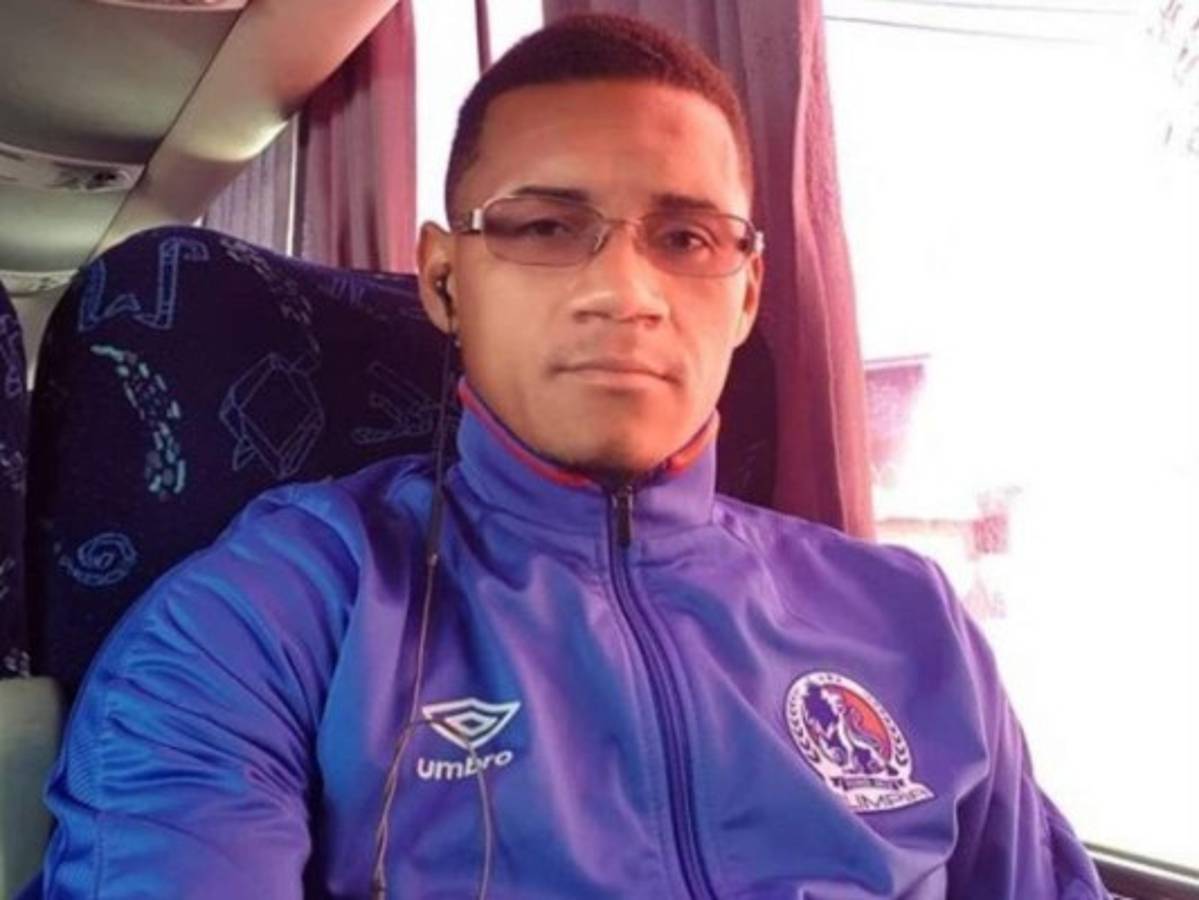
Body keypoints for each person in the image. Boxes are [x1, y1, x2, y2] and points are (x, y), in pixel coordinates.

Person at [26, 12, 1108, 899]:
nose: (624, 292)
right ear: (445, 281)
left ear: (746, 295)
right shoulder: (270, 613)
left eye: (686, 238)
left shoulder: (911, 622)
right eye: (545, 227)